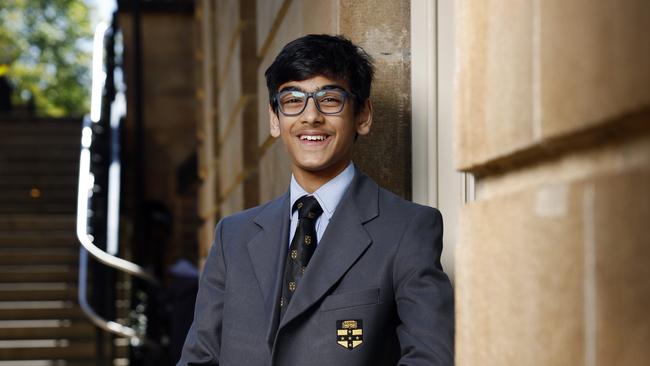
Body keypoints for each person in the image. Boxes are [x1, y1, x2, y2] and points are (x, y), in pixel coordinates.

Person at [178, 34, 454, 366]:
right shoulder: (232, 237)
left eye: (330, 99)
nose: (311, 117)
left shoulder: (407, 229)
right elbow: (199, 359)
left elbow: (430, 357)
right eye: (293, 100)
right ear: (274, 118)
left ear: (363, 115)